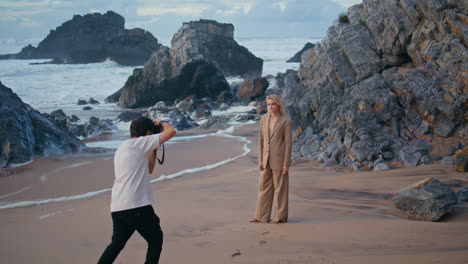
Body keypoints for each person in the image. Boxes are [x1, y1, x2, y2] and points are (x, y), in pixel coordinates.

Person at [98, 117, 176, 264]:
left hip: (118, 206)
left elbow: (149, 170)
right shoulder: (141, 143)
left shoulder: (124, 146)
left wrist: (153, 150)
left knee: (116, 245)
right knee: (155, 239)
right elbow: (171, 132)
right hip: (136, 204)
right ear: (148, 133)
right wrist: (161, 123)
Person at [250, 94, 292, 224]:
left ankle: (280, 217)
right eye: (268, 104)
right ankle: (261, 216)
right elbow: (262, 141)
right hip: (266, 159)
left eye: (273, 104)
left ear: (278, 105)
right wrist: (260, 160)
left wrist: (286, 164)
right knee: (263, 188)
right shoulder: (263, 119)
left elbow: (288, 145)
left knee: (280, 190)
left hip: (279, 160)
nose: (270, 107)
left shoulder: (285, 122)